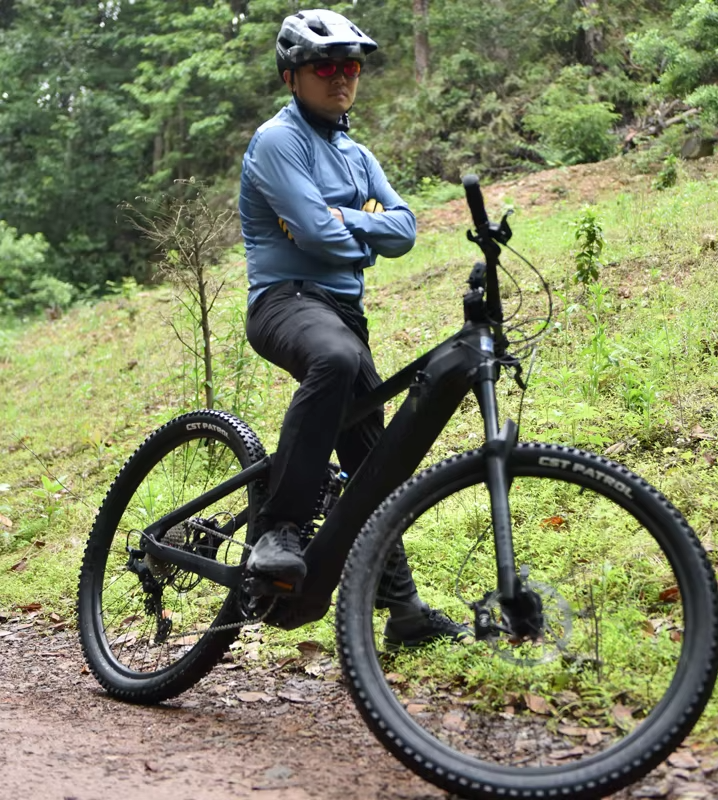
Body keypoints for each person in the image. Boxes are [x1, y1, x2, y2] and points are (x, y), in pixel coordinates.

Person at [238, 9, 466, 647]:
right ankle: (279, 529)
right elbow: (317, 236)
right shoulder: (278, 142)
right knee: (336, 360)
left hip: (343, 315)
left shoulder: (358, 155)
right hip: (284, 301)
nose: (341, 77)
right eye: (325, 66)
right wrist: (359, 230)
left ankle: (405, 612)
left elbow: (406, 229)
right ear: (292, 76)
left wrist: (346, 223)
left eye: (351, 66)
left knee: (375, 460)